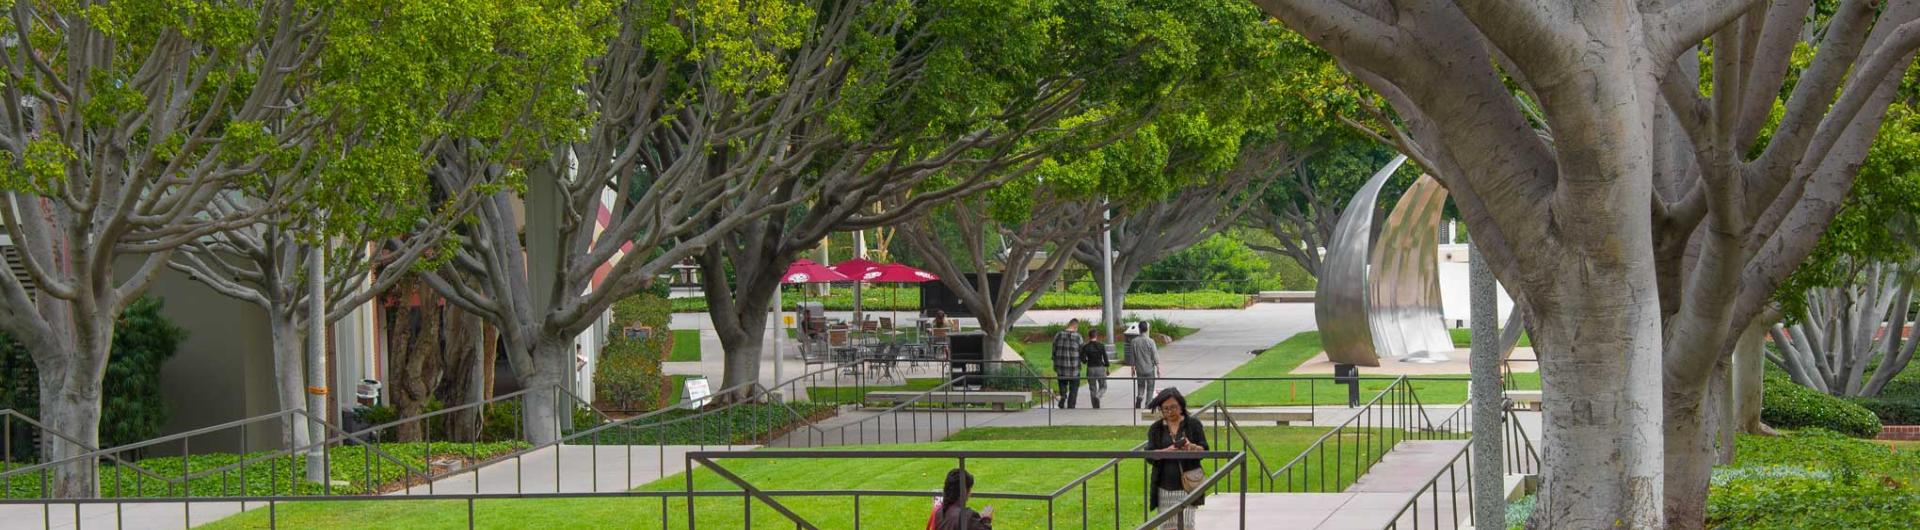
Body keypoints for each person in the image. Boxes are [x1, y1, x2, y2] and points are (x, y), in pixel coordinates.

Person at [1146, 388, 1207, 530]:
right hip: (1164, 486)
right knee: (1166, 526)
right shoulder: (1156, 429)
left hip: (1188, 485)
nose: (1169, 412)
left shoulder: (1193, 424)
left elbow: (1205, 450)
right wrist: (1166, 451)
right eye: (1165, 409)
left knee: (1186, 525)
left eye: (1173, 407)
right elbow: (1149, 455)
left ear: (1181, 406)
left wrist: (1191, 447)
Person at [1051, 319, 1084, 408]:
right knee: (1074, 386)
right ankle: (1071, 404)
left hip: (1061, 366)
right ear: (1075, 326)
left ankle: (1063, 396)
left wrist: (1054, 360)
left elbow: (1054, 349)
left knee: (1062, 383)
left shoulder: (1058, 335)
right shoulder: (1078, 337)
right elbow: (1082, 351)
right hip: (1074, 367)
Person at [1126, 322, 1160, 409]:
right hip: (1149, 368)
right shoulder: (1151, 341)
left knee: (1141, 385)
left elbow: (1132, 356)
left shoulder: (1134, 341)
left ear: (1139, 329)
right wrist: (1158, 368)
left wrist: (1132, 368)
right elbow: (1155, 355)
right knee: (1150, 387)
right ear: (1147, 329)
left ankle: (1140, 396)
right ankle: (1148, 404)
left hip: (1139, 368)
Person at [1080, 330, 1110, 409]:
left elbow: (1082, 358)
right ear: (1096, 336)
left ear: (1089, 337)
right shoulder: (1101, 345)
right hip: (1100, 368)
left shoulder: (1086, 347)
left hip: (1090, 368)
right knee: (1103, 386)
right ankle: (1098, 395)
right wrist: (1107, 366)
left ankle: (1095, 406)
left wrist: (1085, 361)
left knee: (1092, 388)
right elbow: (1105, 357)